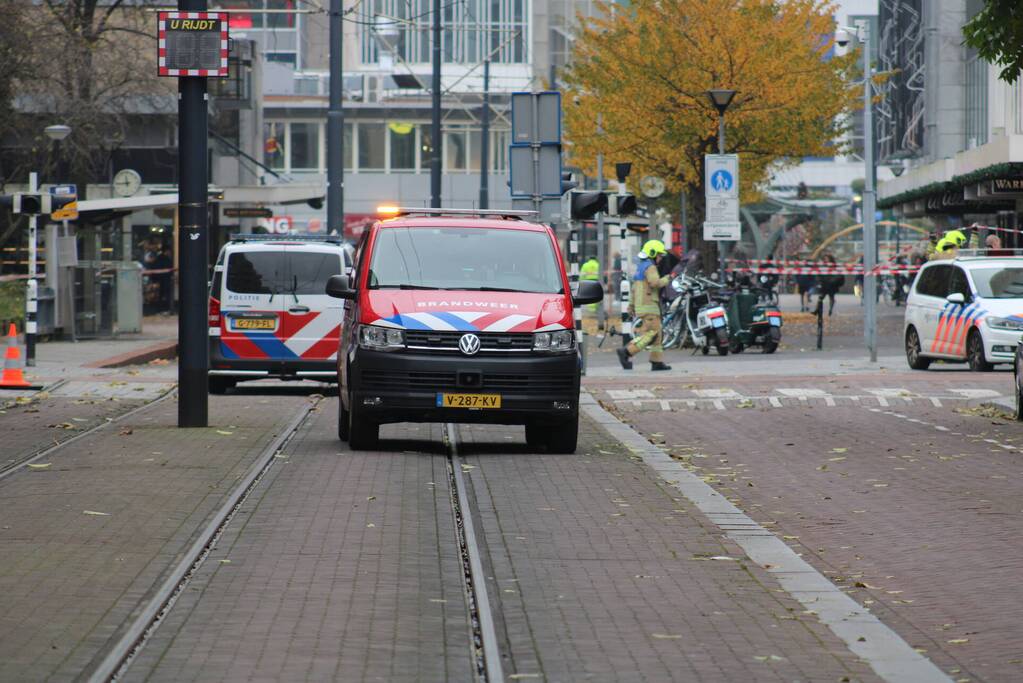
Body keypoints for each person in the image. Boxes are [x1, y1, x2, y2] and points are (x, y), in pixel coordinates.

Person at [616, 240, 672, 371]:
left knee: (657, 333)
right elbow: (655, 283)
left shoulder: (640, 268)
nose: (660, 258)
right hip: (650, 306)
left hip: (642, 306)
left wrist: (631, 306)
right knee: (652, 333)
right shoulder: (650, 267)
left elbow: (634, 290)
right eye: (658, 255)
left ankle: (656, 362)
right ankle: (627, 352)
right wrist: (668, 278)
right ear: (652, 254)